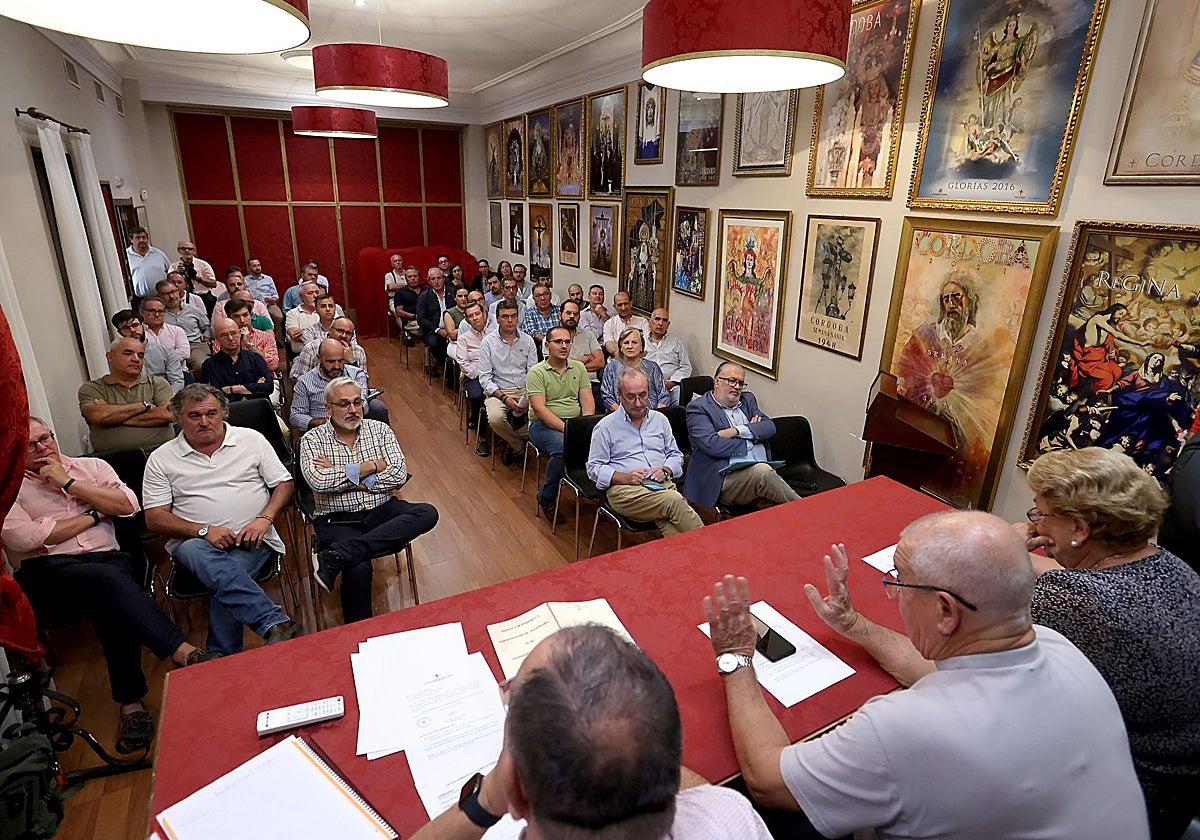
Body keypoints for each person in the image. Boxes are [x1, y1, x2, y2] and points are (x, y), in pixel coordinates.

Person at [704, 510, 1149, 840]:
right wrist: (854, 624)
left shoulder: (902, 727)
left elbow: (767, 780)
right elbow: (929, 669)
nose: (893, 593)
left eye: (899, 581)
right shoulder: (1058, 647)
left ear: (945, 612)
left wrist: (735, 656)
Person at [410, 625, 772, 840]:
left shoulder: (508, 790)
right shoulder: (730, 814)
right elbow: (702, 795)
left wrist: (485, 800)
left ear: (516, 790)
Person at [4, 417, 218, 755]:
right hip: (47, 574)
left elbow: (128, 505)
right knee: (110, 585)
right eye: (32, 444)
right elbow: (28, 538)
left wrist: (69, 483)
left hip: (107, 563)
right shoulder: (8, 488)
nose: (43, 447)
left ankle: (133, 705)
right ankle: (178, 652)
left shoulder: (90, 467)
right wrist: (94, 514)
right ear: (15, 449)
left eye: (46, 437)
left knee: (110, 594)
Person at [1018, 447, 1200, 838]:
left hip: (1116, 806)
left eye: (1040, 514)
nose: (1035, 525)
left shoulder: (1069, 599)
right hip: (1179, 794)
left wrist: (867, 630)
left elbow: (982, 679)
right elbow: (1082, 576)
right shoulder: (1169, 564)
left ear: (1079, 530)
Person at [143, 385, 300, 654]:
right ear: (178, 417)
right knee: (203, 556)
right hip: (195, 544)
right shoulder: (161, 458)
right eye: (194, 415)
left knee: (225, 582)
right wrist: (203, 531)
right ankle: (272, 621)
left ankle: (222, 658)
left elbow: (284, 484)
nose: (204, 422)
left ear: (223, 413)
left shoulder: (251, 440)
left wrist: (264, 518)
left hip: (251, 539)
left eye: (211, 413)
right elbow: (154, 518)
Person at [300, 377, 438, 624]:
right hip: (336, 518)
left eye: (357, 402)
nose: (353, 410)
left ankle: (339, 554)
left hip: (381, 508)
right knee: (359, 567)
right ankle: (358, 632)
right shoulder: (312, 440)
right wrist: (371, 467)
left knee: (427, 512)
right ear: (329, 408)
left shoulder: (380, 430)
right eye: (344, 404)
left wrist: (342, 474)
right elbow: (319, 482)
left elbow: (398, 475)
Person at [587, 368, 703, 537]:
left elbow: (675, 455)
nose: (638, 403)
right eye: (631, 397)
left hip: (661, 485)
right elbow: (594, 468)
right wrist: (624, 477)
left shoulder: (660, 420)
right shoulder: (605, 427)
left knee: (671, 525)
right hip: (626, 490)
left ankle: (695, 553)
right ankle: (712, 547)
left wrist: (666, 470)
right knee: (674, 502)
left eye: (643, 395)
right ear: (619, 395)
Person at [684, 362, 798, 511]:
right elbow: (713, 445)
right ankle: (806, 508)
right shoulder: (698, 408)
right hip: (722, 478)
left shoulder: (747, 400)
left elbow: (769, 427)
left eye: (741, 383)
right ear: (717, 381)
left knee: (776, 508)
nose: (737, 387)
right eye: (732, 381)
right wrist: (752, 438)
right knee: (762, 473)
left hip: (756, 472)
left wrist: (736, 431)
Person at [526, 325, 595, 523]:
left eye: (567, 342)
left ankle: (596, 492)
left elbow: (587, 399)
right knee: (562, 449)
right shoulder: (536, 372)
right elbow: (540, 409)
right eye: (558, 342)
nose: (564, 346)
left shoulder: (578, 368)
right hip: (542, 425)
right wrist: (570, 431)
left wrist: (585, 425)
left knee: (605, 442)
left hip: (574, 423)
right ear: (547, 345)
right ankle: (546, 497)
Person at [78, 337, 175, 452]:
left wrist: (112, 418)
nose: (136, 359)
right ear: (110, 357)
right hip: (112, 458)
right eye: (128, 353)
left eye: (140, 355)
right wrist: (144, 406)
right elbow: (97, 416)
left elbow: (167, 414)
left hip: (161, 452)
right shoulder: (93, 388)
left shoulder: (157, 383)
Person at [478, 300, 538, 464]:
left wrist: (526, 396)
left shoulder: (528, 341)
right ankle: (518, 445)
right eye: (505, 317)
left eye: (513, 316)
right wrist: (504, 398)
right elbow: (485, 378)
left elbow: (533, 373)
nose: (510, 320)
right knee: (495, 418)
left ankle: (511, 442)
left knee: (542, 416)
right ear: (497, 319)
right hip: (499, 391)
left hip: (525, 390)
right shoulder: (487, 343)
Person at [291, 339, 389, 433]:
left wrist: (348, 416)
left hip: (354, 426)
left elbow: (364, 403)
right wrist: (320, 423)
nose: (337, 366)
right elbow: (296, 415)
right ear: (319, 358)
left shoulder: (356, 374)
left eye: (341, 361)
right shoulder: (304, 382)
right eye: (331, 362)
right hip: (322, 431)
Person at [112, 308, 184, 393]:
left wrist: (167, 398)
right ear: (120, 332)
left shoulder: (166, 351)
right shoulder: (117, 357)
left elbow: (177, 381)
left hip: (164, 395)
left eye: (135, 325)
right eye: (126, 328)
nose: (132, 330)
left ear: (143, 325)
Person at [200, 318, 272, 402]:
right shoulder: (209, 365)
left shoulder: (255, 358)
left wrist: (233, 389)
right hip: (230, 409)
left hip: (260, 408)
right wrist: (253, 390)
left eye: (233, 333)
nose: (230, 338)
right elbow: (216, 396)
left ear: (240, 333)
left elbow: (269, 387)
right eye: (224, 335)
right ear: (216, 338)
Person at [600, 327, 667, 412]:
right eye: (626, 343)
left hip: (651, 415)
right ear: (621, 347)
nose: (630, 346)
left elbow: (663, 395)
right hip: (620, 415)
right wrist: (622, 414)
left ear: (642, 346)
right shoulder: (611, 368)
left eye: (634, 342)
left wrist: (656, 415)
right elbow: (606, 397)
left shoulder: (653, 367)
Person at [156, 278, 211, 377]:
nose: (171, 296)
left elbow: (206, 326)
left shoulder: (192, 310)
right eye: (166, 294)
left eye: (173, 292)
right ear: (159, 296)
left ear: (178, 291)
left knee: (202, 366)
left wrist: (206, 339)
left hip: (195, 346)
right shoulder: (158, 315)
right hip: (170, 348)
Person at [457, 303, 490, 451]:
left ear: (484, 314)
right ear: (467, 320)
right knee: (477, 396)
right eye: (471, 316)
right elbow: (463, 363)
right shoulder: (464, 339)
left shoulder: (494, 334)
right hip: (474, 376)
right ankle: (482, 436)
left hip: (494, 375)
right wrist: (481, 375)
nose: (475, 318)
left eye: (477, 314)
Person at [290, 316, 367, 380]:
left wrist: (352, 362)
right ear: (330, 330)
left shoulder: (358, 351)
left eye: (348, 333)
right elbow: (299, 381)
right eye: (340, 331)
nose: (343, 336)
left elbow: (362, 382)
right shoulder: (312, 348)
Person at [220, 297, 280, 375]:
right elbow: (222, 368)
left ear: (251, 316)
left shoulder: (266, 337)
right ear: (229, 319)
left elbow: (273, 365)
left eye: (245, 315)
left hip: (263, 378)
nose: (242, 320)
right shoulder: (221, 339)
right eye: (236, 316)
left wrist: (248, 345)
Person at [645, 308, 692, 405]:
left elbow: (686, 366)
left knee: (679, 395)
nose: (660, 323)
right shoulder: (641, 341)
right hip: (647, 386)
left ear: (668, 324)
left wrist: (673, 382)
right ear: (650, 322)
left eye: (664, 320)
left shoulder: (676, 342)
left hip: (671, 387)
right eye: (657, 319)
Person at [417, 266, 455, 371]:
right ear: (429, 281)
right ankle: (449, 371)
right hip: (433, 330)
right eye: (433, 279)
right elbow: (421, 318)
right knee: (434, 343)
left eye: (439, 278)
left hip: (453, 328)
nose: (437, 281)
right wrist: (438, 330)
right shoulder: (424, 296)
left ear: (444, 279)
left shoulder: (453, 293)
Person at [140, 295, 190, 366]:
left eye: (160, 311)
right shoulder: (138, 333)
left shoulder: (176, 330)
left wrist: (158, 360)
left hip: (178, 370)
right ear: (142, 312)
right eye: (152, 311)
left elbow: (185, 352)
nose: (157, 315)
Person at [125, 226, 172, 299]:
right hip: (139, 299)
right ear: (131, 240)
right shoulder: (126, 255)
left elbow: (170, 271)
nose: (141, 240)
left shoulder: (158, 254)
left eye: (144, 237)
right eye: (138, 238)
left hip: (161, 297)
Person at [602, 291, 649, 356]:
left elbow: (647, 345)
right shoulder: (609, 324)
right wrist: (628, 356)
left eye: (625, 304)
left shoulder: (643, 322)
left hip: (639, 359)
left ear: (631, 304)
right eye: (619, 305)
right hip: (617, 360)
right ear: (614, 307)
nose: (623, 308)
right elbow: (610, 346)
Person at [520, 283, 561, 354]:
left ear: (550, 295)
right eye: (538, 295)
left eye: (545, 294)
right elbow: (532, 332)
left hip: (561, 345)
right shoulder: (529, 313)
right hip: (539, 350)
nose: (543, 298)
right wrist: (551, 343)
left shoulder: (560, 310)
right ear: (534, 299)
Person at [244, 257, 283, 330]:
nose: (257, 268)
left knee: (278, 316)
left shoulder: (268, 279)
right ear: (249, 268)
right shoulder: (245, 280)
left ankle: (276, 335)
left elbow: (276, 295)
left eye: (258, 265)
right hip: (254, 304)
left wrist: (274, 299)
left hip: (269, 304)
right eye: (254, 266)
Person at [284, 281, 322, 354]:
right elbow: (295, 336)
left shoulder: (327, 309)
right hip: (302, 353)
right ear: (301, 297)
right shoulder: (292, 313)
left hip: (328, 352)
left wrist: (306, 332)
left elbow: (336, 331)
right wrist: (322, 334)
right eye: (310, 293)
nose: (315, 296)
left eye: (317, 292)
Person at [393, 265, 423, 344]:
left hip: (428, 319)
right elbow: (399, 312)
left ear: (419, 277)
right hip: (411, 321)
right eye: (410, 277)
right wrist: (414, 316)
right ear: (406, 279)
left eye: (415, 276)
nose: (413, 278)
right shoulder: (400, 293)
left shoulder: (427, 290)